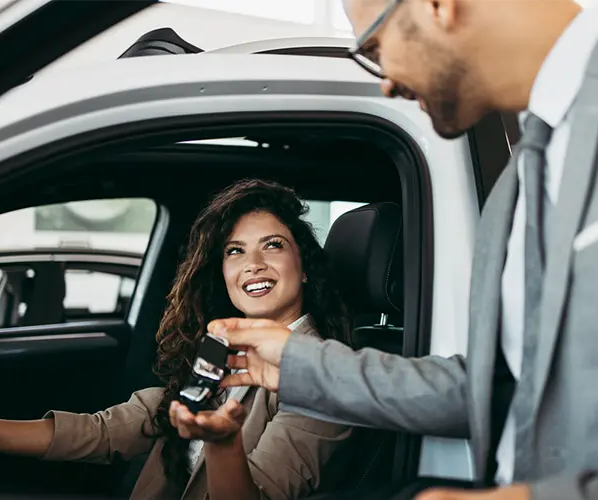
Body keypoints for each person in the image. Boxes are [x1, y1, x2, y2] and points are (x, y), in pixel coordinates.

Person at [209, 1, 598, 500]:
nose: (386, 81)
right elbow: (498, 390)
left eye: (374, 47)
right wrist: (298, 362)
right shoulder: (523, 177)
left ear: (437, 6)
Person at [0, 179, 353, 500]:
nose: (253, 265)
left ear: (306, 267)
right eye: (234, 251)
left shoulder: (322, 377)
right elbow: (108, 432)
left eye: (273, 246)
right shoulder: (221, 350)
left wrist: (221, 442)